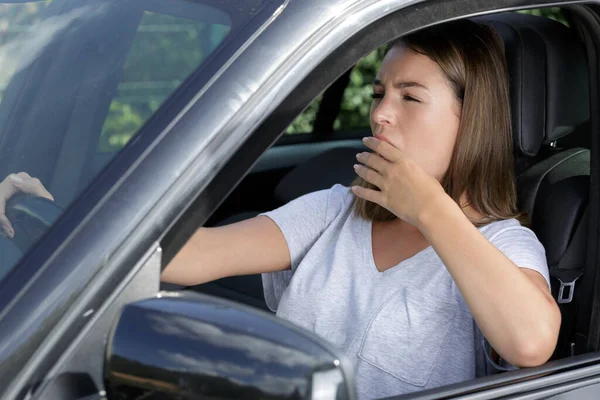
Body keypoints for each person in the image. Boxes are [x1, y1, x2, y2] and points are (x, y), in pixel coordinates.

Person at [0, 20, 560, 399]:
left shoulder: (503, 246)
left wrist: (431, 210)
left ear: (471, 121)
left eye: (409, 97)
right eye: (379, 93)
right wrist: (58, 211)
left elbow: (531, 340)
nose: (381, 115)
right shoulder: (336, 210)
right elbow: (189, 256)